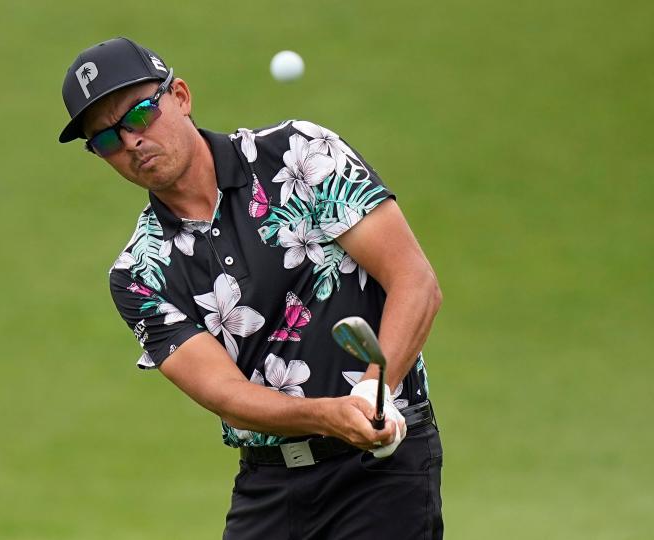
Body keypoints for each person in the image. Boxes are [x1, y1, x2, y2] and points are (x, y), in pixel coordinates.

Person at [58, 37, 444, 539]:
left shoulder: (299, 154)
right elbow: (225, 393)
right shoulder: (138, 271)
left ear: (181, 96)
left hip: (384, 472)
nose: (130, 142)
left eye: (139, 115)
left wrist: (374, 388)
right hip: (269, 487)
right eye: (106, 140)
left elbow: (415, 281)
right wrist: (327, 416)